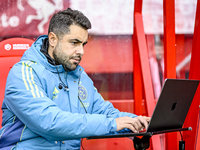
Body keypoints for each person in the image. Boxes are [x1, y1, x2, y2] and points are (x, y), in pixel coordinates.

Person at [0, 8, 150, 150]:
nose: (81, 51)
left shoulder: (79, 77)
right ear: (53, 39)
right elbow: (50, 122)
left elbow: (104, 112)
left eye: (83, 44)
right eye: (74, 43)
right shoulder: (23, 73)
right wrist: (112, 124)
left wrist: (139, 122)